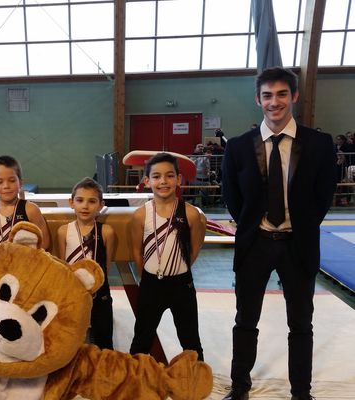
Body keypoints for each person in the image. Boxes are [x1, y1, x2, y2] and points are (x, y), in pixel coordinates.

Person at [221, 67, 337, 400]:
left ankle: (301, 392)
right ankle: (240, 386)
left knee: (300, 324)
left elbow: (323, 194)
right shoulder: (240, 147)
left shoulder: (318, 144)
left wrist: (299, 226)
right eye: (268, 95)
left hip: (296, 245)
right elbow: (232, 196)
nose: (275, 102)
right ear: (258, 100)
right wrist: (252, 224)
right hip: (255, 243)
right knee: (245, 321)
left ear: (294, 96)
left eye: (282, 94)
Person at [129, 152, 206, 361]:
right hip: (151, 283)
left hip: (182, 285)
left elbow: (195, 248)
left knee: (190, 338)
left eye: (170, 175)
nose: (163, 181)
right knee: (141, 338)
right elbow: (137, 251)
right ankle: (135, 381)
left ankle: (195, 381)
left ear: (179, 179)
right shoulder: (140, 215)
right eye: (156, 176)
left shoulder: (190, 214)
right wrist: (146, 276)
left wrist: (180, 269)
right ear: (147, 181)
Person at [56, 177, 117, 349]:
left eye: (92, 201)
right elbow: (63, 265)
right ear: (71, 202)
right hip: (73, 293)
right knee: (72, 341)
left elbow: (107, 263)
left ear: (100, 205)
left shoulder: (106, 231)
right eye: (80, 200)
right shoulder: (63, 231)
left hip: (100, 294)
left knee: (104, 340)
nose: (85, 206)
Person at [0, 155, 51, 249]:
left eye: (12, 180)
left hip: (26, 261)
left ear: (20, 183)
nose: (6, 186)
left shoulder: (31, 210)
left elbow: (44, 244)